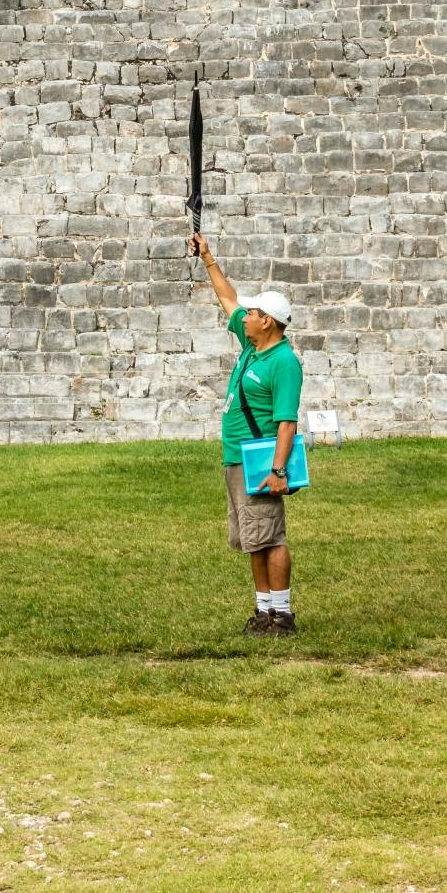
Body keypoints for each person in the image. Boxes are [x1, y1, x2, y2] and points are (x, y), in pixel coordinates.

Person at [189, 232, 302, 634]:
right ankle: (263, 611)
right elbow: (228, 299)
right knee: (253, 538)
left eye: (252, 313)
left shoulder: (283, 362)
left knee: (271, 535)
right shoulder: (253, 346)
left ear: (267, 321)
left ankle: (282, 615)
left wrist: (279, 470)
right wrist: (208, 259)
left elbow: (287, 421)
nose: (244, 315)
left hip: (262, 460)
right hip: (237, 457)